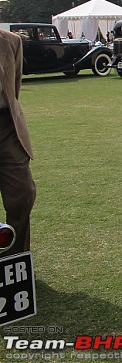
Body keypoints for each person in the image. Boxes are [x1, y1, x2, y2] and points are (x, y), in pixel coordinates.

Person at [0, 28, 36, 257]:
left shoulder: (11, 41)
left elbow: (14, 88)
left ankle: (14, 259)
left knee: (23, 193)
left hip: (7, 127)